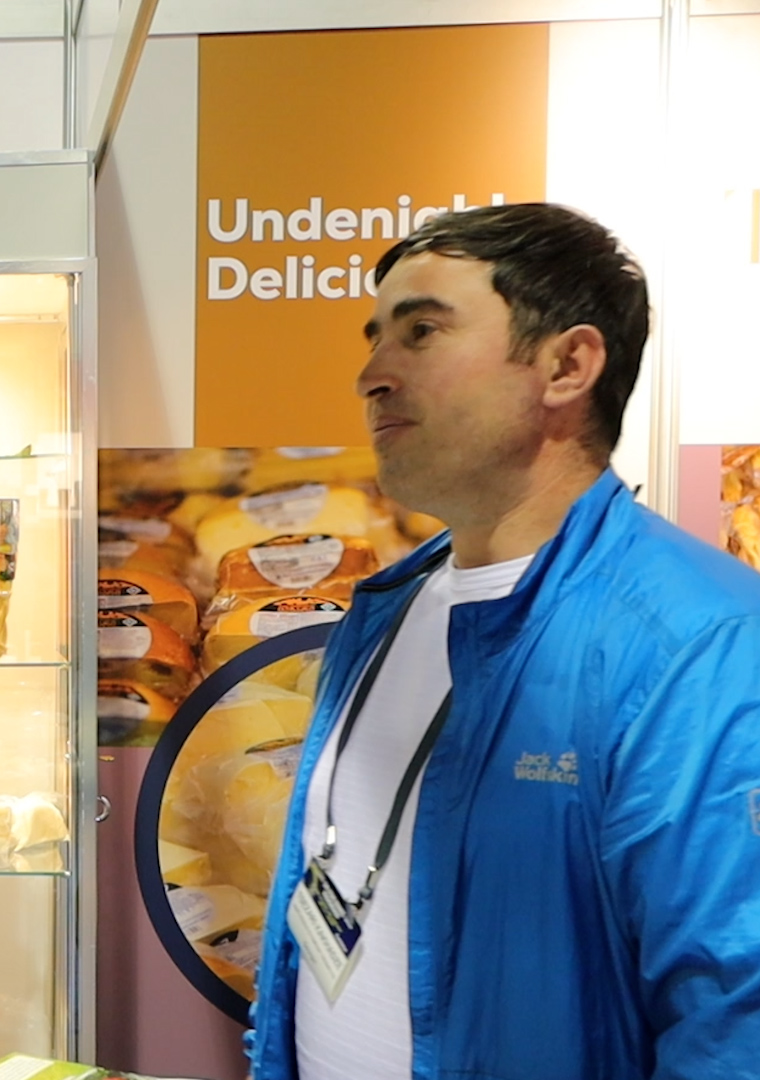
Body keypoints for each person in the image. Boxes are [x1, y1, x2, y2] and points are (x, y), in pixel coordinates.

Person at [248, 203, 760, 1079]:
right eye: (376, 337)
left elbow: (732, 1022)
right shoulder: (385, 609)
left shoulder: (702, 643)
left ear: (567, 366)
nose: (370, 375)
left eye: (421, 332)